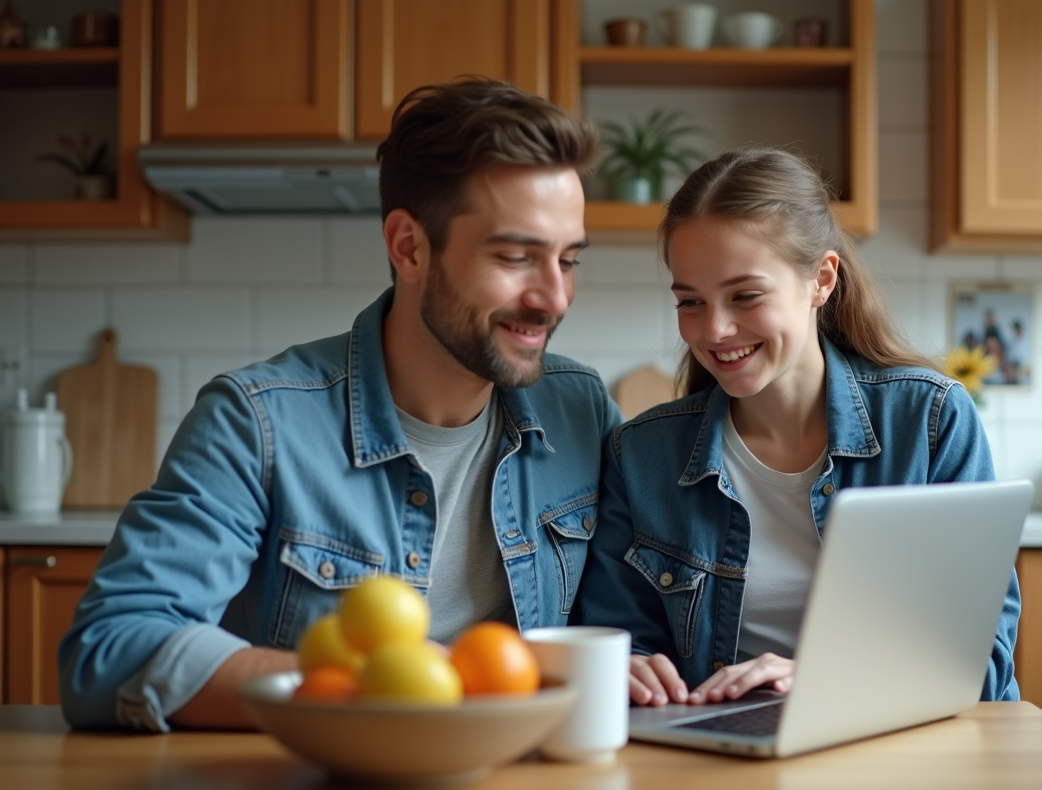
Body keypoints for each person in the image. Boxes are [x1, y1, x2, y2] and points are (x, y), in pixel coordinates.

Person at [59, 78, 621, 731]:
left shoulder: (580, 409)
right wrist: (398, 686)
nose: (554, 298)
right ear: (409, 247)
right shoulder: (256, 422)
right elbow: (108, 654)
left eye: (570, 260)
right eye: (517, 256)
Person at [576, 147, 1019, 707]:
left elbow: (984, 664)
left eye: (746, 296)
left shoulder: (929, 421)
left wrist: (821, 680)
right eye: (691, 301)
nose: (714, 329)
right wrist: (627, 669)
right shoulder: (640, 455)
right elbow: (623, 638)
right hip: (725, 752)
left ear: (822, 280)